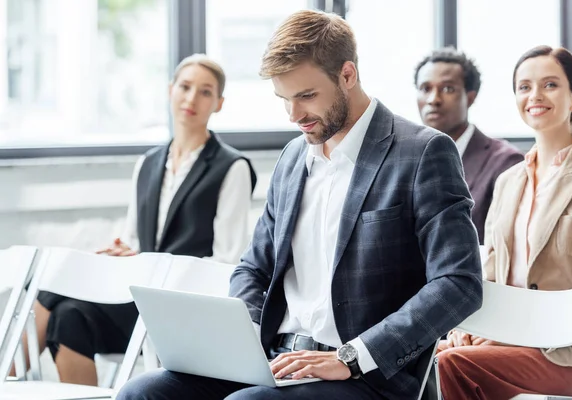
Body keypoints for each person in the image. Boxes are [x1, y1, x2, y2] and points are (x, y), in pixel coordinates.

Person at [117, 10, 482, 400]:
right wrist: (242, 342)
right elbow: (254, 267)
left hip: (367, 376)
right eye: (284, 99)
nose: (294, 116)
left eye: (306, 96)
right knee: (142, 393)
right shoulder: (293, 158)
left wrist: (351, 357)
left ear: (347, 75)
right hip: (278, 358)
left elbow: (458, 283)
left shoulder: (423, 152)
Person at [12, 54, 257, 386]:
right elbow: (134, 241)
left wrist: (147, 262)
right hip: (136, 295)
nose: (191, 99)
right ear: (170, 90)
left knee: (52, 291)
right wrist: (122, 253)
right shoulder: (148, 163)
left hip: (178, 306)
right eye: (184, 87)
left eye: (205, 92)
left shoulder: (232, 167)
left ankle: (8, 373)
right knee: (67, 316)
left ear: (219, 103)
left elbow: (227, 260)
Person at [437, 45, 572, 398]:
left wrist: (508, 330)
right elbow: (491, 278)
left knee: (456, 364)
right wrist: (470, 327)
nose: (535, 95)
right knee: (428, 355)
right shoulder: (508, 181)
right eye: (524, 86)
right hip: (507, 341)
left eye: (550, 85)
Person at [415, 47, 523, 243]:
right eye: (425, 89)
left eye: (448, 89)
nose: (433, 100)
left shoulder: (506, 163)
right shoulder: (408, 161)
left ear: (470, 97)